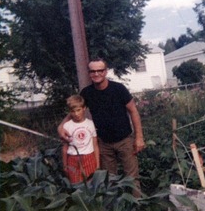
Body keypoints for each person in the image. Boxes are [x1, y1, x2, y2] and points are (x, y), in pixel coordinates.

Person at [58, 58, 145, 197]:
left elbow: (133, 111)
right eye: (93, 71)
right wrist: (61, 126)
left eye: (100, 70)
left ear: (105, 71)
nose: (96, 73)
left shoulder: (118, 89)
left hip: (124, 141)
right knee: (109, 180)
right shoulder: (87, 93)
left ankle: (138, 208)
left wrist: (139, 137)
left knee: (132, 178)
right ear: (89, 73)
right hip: (103, 144)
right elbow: (75, 109)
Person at [62, 94, 100, 185]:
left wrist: (98, 164)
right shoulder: (67, 126)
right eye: (73, 111)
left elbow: (95, 145)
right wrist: (64, 165)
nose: (76, 114)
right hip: (73, 159)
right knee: (76, 186)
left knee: (91, 185)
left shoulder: (90, 124)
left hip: (89, 157)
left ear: (84, 108)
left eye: (78, 110)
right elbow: (64, 148)